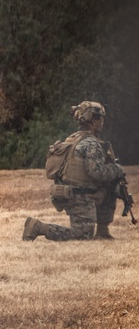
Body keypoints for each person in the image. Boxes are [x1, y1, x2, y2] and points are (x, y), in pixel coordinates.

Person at [23, 101, 124, 241]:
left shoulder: (73, 138)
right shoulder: (91, 143)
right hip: (79, 195)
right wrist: (116, 170)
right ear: (92, 120)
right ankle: (38, 227)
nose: (102, 121)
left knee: (110, 187)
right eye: (100, 117)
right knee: (82, 236)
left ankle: (102, 232)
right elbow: (97, 173)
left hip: (70, 191)